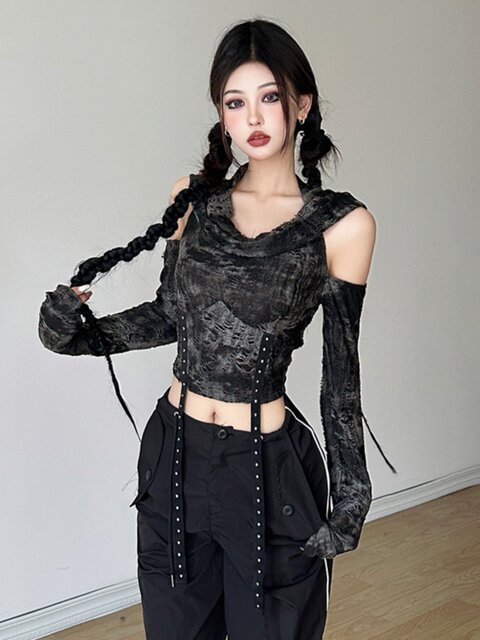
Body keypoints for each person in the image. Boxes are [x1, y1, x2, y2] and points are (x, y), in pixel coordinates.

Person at [38, 17, 397, 640]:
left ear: (301, 104)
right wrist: (77, 335)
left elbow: (341, 375)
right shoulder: (192, 199)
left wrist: (352, 491)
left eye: (269, 96)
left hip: (267, 467)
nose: (253, 117)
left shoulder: (343, 225)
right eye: (235, 102)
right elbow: (170, 314)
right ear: (221, 114)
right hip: (174, 454)